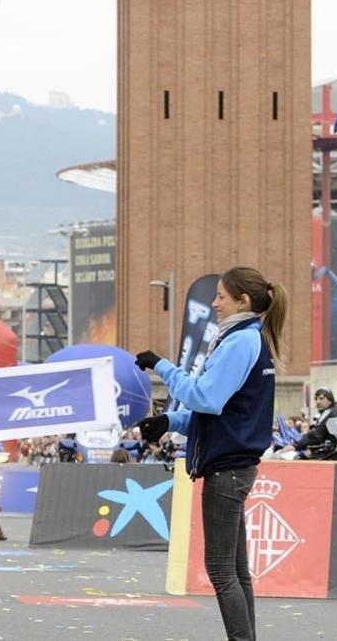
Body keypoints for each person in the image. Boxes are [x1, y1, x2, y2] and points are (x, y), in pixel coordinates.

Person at [134, 266, 285, 641]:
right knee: (235, 569)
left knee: (220, 569)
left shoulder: (238, 342)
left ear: (242, 301)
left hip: (227, 469)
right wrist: (170, 421)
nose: (215, 303)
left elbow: (207, 397)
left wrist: (161, 365)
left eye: (220, 296)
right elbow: (223, 413)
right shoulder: (249, 338)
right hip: (235, 464)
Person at [292, 388, 337, 460]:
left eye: (321, 398)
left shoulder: (328, 413)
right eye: (316, 399)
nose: (318, 402)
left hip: (331, 455)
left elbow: (315, 435)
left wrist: (295, 446)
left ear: (330, 401)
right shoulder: (336, 411)